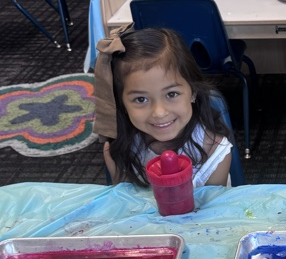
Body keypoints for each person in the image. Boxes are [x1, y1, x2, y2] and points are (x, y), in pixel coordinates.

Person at [94, 27, 233, 188]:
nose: (159, 112)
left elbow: (215, 211)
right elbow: (126, 204)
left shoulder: (214, 151)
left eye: (171, 94)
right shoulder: (118, 150)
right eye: (140, 99)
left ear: (193, 91)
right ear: (121, 103)